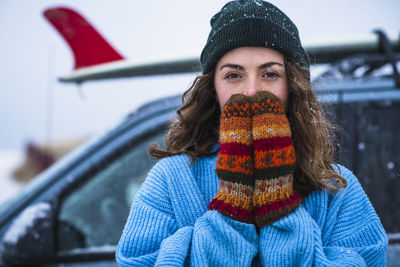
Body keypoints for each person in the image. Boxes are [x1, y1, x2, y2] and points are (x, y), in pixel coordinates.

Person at [116, 0, 388, 266]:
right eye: (234, 75)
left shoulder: (336, 188)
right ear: (213, 87)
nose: (251, 91)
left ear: (292, 85)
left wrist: (279, 206)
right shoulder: (170, 180)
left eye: (269, 74)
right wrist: (232, 209)